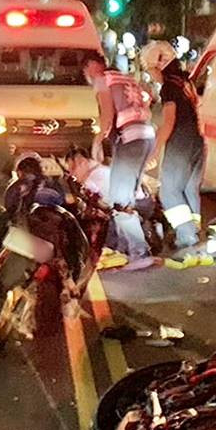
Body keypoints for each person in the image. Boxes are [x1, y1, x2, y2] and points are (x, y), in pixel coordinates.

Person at [84, 51, 156, 268]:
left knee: (119, 199)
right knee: (128, 193)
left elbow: (107, 115)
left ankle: (139, 253)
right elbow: (148, 97)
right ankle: (127, 247)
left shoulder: (102, 80)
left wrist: (98, 141)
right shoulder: (124, 77)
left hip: (130, 138)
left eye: (85, 71)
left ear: (91, 67)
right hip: (145, 135)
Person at [149, 53, 207, 256]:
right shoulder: (186, 81)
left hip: (181, 142)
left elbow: (169, 122)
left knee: (170, 191)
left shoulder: (169, 88)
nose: (151, 75)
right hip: (197, 140)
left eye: (151, 70)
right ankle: (195, 231)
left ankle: (187, 236)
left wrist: (154, 149)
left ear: (159, 67)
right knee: (189, 188)